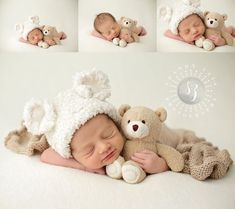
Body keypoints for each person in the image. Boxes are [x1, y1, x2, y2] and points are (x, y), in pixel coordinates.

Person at [22, 70, 168, 176]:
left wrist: (159, 165)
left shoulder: (132, 135)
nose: (104, 147)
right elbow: (46, 155)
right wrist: (83, 166)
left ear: (115, 124)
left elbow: (165, 149)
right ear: (71, 153)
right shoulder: (66, 141)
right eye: (89, 150)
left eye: (108, 134)